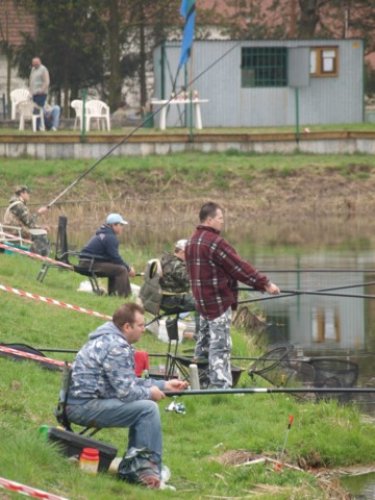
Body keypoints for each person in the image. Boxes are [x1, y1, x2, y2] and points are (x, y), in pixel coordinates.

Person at [65, 302, 188, 488]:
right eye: (140, 325)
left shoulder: (107, 339)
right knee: (147, 409)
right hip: (83, 407)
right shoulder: (117, 347)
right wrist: (150, 393)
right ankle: (145, 471)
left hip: (80, 402)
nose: (144, 330)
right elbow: (127, 392)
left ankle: (139, 466)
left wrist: (163, 385)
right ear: (127, 327)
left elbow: (127, 381)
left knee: (145, 406)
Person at [185, 201, 280, 389]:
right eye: (220, 218)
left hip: (201, 302)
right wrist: (265, 283)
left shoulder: (192, 241)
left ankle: (200, 381)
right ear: (210, 219)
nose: (222, 222)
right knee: (220, 346)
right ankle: (220, 387)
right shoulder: (215, 243)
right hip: (217, 302)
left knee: (203, 344)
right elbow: (239, 267)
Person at [79, 213, 135, 297]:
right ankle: (124, 296)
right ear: (114, 225)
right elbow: (116, 258)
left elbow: (113, 259)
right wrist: (129, 268)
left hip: (86, 262)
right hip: (89, 264)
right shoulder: (110, 237)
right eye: (121, 225)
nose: (122, 227)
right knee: (122, 270)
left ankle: (112, 295)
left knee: (115, 268)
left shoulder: (103, 233)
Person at [3, 185, 50, 256]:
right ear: (22, 193)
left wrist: (39, 226)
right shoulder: (18, 205)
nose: (29, 195)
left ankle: (36, 253)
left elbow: (27, 222)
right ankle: (39, 255)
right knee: (41, 233)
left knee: (40, 230)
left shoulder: (16, 204)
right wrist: (39, 213)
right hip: (15, 231)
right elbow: (30, 223)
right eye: (27, 193)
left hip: (13, 230)